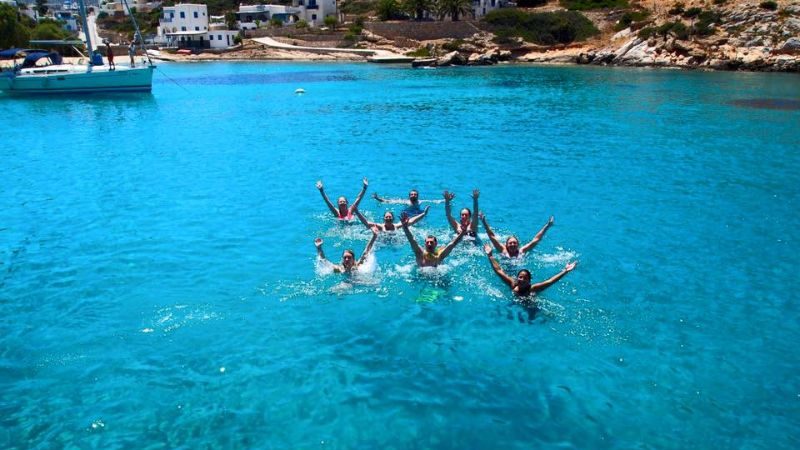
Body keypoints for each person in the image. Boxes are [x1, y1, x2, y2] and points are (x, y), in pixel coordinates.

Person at [484, 244, 577, 297]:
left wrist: (565, 271)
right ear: (517, 278)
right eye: (520, 277)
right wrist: (490, 255)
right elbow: (499, 270)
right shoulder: (512, 284)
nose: (522, 280)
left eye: (525, 278)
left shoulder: (533, 288)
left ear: (529, 281)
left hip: (530, 305)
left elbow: (551, 281)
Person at [400, 212, 467, 267]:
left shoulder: (439, 256)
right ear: (425, 244)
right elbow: (412, 240)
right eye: (427, 242)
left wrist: (463, 232)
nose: (429, 244)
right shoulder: (420, 253)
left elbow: (452, 244)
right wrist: (405, 227)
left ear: (435, 244)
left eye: (431, 242)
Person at [480, 213, 554, 258]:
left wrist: (547, 226)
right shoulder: (502, 250)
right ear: (506, 245)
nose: (512, 244)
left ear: (518, 244)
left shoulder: (522, 251)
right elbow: (492, 236)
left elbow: (536, 240)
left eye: (514, 243)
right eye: (510, 243)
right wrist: (484, 221)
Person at [314, 228, 378, 274]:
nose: (347, 259)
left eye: (349, 257)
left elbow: (366, 251)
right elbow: (325, 261)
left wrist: (374, 236)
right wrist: (319, 248)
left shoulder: (358, 266)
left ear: (353, 259)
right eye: (345, 258)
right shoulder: (340, 269)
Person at [353, 205, 430, 232]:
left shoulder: (397, 226)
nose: (388, 218)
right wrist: (357, 212)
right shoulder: (380, 226)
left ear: (393, 219)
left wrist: (423, 214)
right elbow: (366, 223)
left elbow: (412, 221)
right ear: (384, 219)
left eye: (390, 217)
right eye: (386, 217)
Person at [372, 189, 441, 216]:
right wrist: (377, 198)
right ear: (409, 196)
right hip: (408, 213)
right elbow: (388, 201)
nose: (413, 195)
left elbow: (435, 201)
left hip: (417, 212)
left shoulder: (420, 202)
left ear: (418, 196)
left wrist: (446, 200)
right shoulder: (405, 202)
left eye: (415, 194)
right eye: (412, 194)